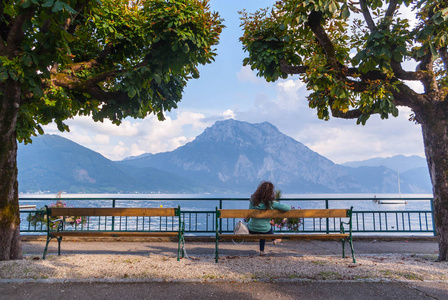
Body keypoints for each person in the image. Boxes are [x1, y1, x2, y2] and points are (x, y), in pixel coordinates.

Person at [247, 181, 291, 256]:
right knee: (265, 227)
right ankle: (275, 239)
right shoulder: (271, 203)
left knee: (262, 225)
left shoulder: (252, 201)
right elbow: (288, 208)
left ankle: (262, 251)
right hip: (265, 230)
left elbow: (251, 213)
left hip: (252, 229)